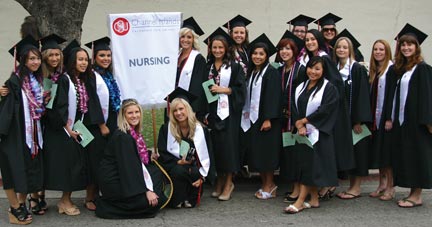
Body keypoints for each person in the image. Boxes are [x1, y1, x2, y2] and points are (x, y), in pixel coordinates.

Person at [300, 29, 354, 199]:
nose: (309, 42)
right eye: (307, 40)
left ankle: (329, 184)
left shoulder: (324, 58)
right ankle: (322, 184)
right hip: (318, 110)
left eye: (312, 39)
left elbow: (335, 85)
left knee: (329, 148)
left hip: (330, 112)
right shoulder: (308, 59)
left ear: (319, 41)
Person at [95, 98, 168, 219]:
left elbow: (135, 157)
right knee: (150, 204)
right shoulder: (123, 137)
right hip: (114, 181)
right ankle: (106, 206)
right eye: (130, 113)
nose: (134, 116)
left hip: (123, 174)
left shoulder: (132, 133)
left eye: (137, 112)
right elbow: (129, 168)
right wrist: (146, 191)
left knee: (155, 171)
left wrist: (148, 154)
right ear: (123, 115)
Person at [284, 56, 339, 214]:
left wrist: (305, 121)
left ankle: (300, 201)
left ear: (323, 71)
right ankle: (314, 199)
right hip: (302, 132)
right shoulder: (301, 86)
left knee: (311, 167)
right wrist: (298, 124)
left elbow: (325, 110)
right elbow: (294, 107)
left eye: (317, 69)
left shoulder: (329, 88)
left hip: (318, 134)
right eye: (311, 67)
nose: (313, 72)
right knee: (305, 165)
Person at [0, 36, 46, 224]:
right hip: (14, 134)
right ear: (23, 61)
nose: (35, 62)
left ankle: (20, 204)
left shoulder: (36, 80)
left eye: (37, 58)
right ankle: (14, 207)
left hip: (32, 135)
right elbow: (7, 108)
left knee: (26, 170)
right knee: (12, 170)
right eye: (31, 59)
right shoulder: (14, 81)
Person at [43, 40, 90, 216]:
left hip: (74, 127)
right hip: (63, 129)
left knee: (74, 164)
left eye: (86, 59)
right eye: (80, 59)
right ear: (72, 61)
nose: (84, 62)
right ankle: (64, 201)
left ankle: (66, 199)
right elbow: (57, 106)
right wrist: (67, 128)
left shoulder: (79, 80)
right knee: (68, 166)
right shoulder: (64, 79)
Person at [390, 24, 432, 208]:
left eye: (410, 45)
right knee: (409, 156)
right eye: (403, 45)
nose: (406, 48)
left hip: (418, 123)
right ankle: (412, 193)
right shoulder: (405, 69)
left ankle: (416, 196)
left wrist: (427, 122)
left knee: (418, 157)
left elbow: (427, 96)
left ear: (416, 47)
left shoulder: (422, 69)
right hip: (405, 122)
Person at [204, 28, 246, 201]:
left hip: (230, 114)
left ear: (226, 48)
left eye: (221, 47)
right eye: (214, 47)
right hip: (213, 113)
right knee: (217, 148)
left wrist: (226, 90)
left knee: (229, 148)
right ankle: (220, 180)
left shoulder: (235, 67)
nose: (218, 50)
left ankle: (229, 182)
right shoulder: (208, 67)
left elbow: (241, 90)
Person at [158, 88, 214, 208]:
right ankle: (178, 198)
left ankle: (190, 198)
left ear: (188, 109)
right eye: (175, 110)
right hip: (174, 167)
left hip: (194, 168)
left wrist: (203, 177)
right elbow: (163, 153)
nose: (178, 113)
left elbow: (208, 155)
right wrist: (178, 161)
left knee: (193, 171)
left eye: (181, 109)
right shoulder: (165, 129)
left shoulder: (201, 130)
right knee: (179, 170)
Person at [241, 34, 281, 199]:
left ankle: (269, 186)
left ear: (266, 56)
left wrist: (268, 118)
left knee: (267, 155)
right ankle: (266, 184)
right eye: (255, 53)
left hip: (266, 121)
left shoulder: (271, 72)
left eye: (261, 54)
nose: (257, 56)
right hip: (254, 120)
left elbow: (273, 97)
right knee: (259, 154)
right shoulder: (252, 73)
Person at [331, 35, 372, 199]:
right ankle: (349, 186)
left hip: (353, 119)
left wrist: (358, 120)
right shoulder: (334, 69)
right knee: (347, 152)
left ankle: (356, 187)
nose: (341, 50)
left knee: (358, 152)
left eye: (345, 47)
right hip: (339, 119)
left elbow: (362, 96)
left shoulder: (357, 69)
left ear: (350, 50)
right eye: (339, 47)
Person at [82, 37, 120, 211]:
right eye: (102, 55)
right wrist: (101, 125)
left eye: (108, 55)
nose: (106, 58)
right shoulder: (91, 76)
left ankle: (103, 194)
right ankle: (90, 196)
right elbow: (92, 102)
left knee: (106, 159)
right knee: (95, 160)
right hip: (96, 124)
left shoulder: (109, 75)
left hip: (111, 121)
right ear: (94, 57)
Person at [274, 30, 307, 202]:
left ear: (295, 51)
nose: (284, 51)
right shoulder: (279, 70)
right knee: (289, 155)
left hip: (296, 120)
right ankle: (294, 187)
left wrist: (298, 119)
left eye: (288, 48)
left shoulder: (301, 70)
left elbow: (302, 97)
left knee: (297, 155)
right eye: (282, 49)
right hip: (283, 120)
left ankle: (298, 190)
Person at [36, 33, 67, 211]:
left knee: (46, 158)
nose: (54, 58)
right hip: (35, 121)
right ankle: (37, 196)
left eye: (57, 55)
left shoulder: (60, 74)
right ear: (44, 56)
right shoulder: (36, 74)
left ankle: (41, 194)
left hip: (51, 122)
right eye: (51, 55)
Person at [368, 39, 395, 201]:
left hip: (386, 119)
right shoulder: (375, 70)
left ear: (387, 52)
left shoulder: (391, 70)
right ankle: (381, 184)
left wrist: (389, 118)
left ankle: (390, 187)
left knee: (387, 155)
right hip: (376, 119)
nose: (378, 52)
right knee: (380, 153)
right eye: (375, 49)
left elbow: (392, 96)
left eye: (381, 50)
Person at [175, 17, 207, 122]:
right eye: (182, 36)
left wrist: (194, 109)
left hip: (190, 106)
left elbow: (198, 86)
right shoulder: (175, 56)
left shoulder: (198, 59)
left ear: (194, 39)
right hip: (174, 102)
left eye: (189, 37)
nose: (185, 40)